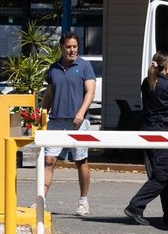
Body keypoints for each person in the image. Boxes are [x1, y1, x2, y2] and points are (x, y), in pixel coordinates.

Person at [124, 50, 168, 226]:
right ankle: (135, 207)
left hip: (147, 131)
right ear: (167, 66)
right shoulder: (167, 87)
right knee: (161, 177)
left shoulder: (147, 82)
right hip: (160, 133)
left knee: (166, 174)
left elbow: (160, 88)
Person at [40, 32, 96, 216]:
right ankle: (41, 201)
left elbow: (90, 93)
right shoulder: (53, 68)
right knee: (49, 161)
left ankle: (83, 201)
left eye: (75, 47)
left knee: (81, 161)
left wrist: (81, 113)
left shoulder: (85, 66)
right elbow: (48, 95)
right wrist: (41, 115)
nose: (72, 50)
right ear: (61, 48)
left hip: (78, 122)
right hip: (56, 121)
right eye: (68, 47)